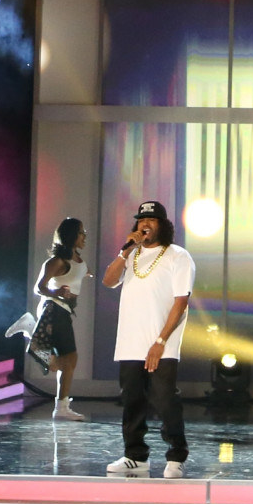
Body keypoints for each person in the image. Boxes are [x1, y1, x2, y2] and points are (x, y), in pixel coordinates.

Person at [101, 200, 194, 477]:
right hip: (130, 342)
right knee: (132, 400)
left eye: (152, 220)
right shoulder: (131, 255)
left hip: (161, 343)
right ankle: (135, 456)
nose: (145, 224)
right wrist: (123, 251)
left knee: (165, 399)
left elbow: (181, 303)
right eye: (142, 220)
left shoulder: (178, 256)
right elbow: (108, 280)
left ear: (163, 225)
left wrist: (161, 341)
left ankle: (176, 456)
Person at [13, 217, 88, 420]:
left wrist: (85, 274)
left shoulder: (77, 260)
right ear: (72, 235)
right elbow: (39, 287)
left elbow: (77, 273)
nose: (85, 236)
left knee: (58, 363)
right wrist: (57, 293)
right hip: (54, 309)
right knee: (69, 359)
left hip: (64, 311)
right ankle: (61, 408)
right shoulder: (57, 262)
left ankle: (29, 327)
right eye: (81, 232)